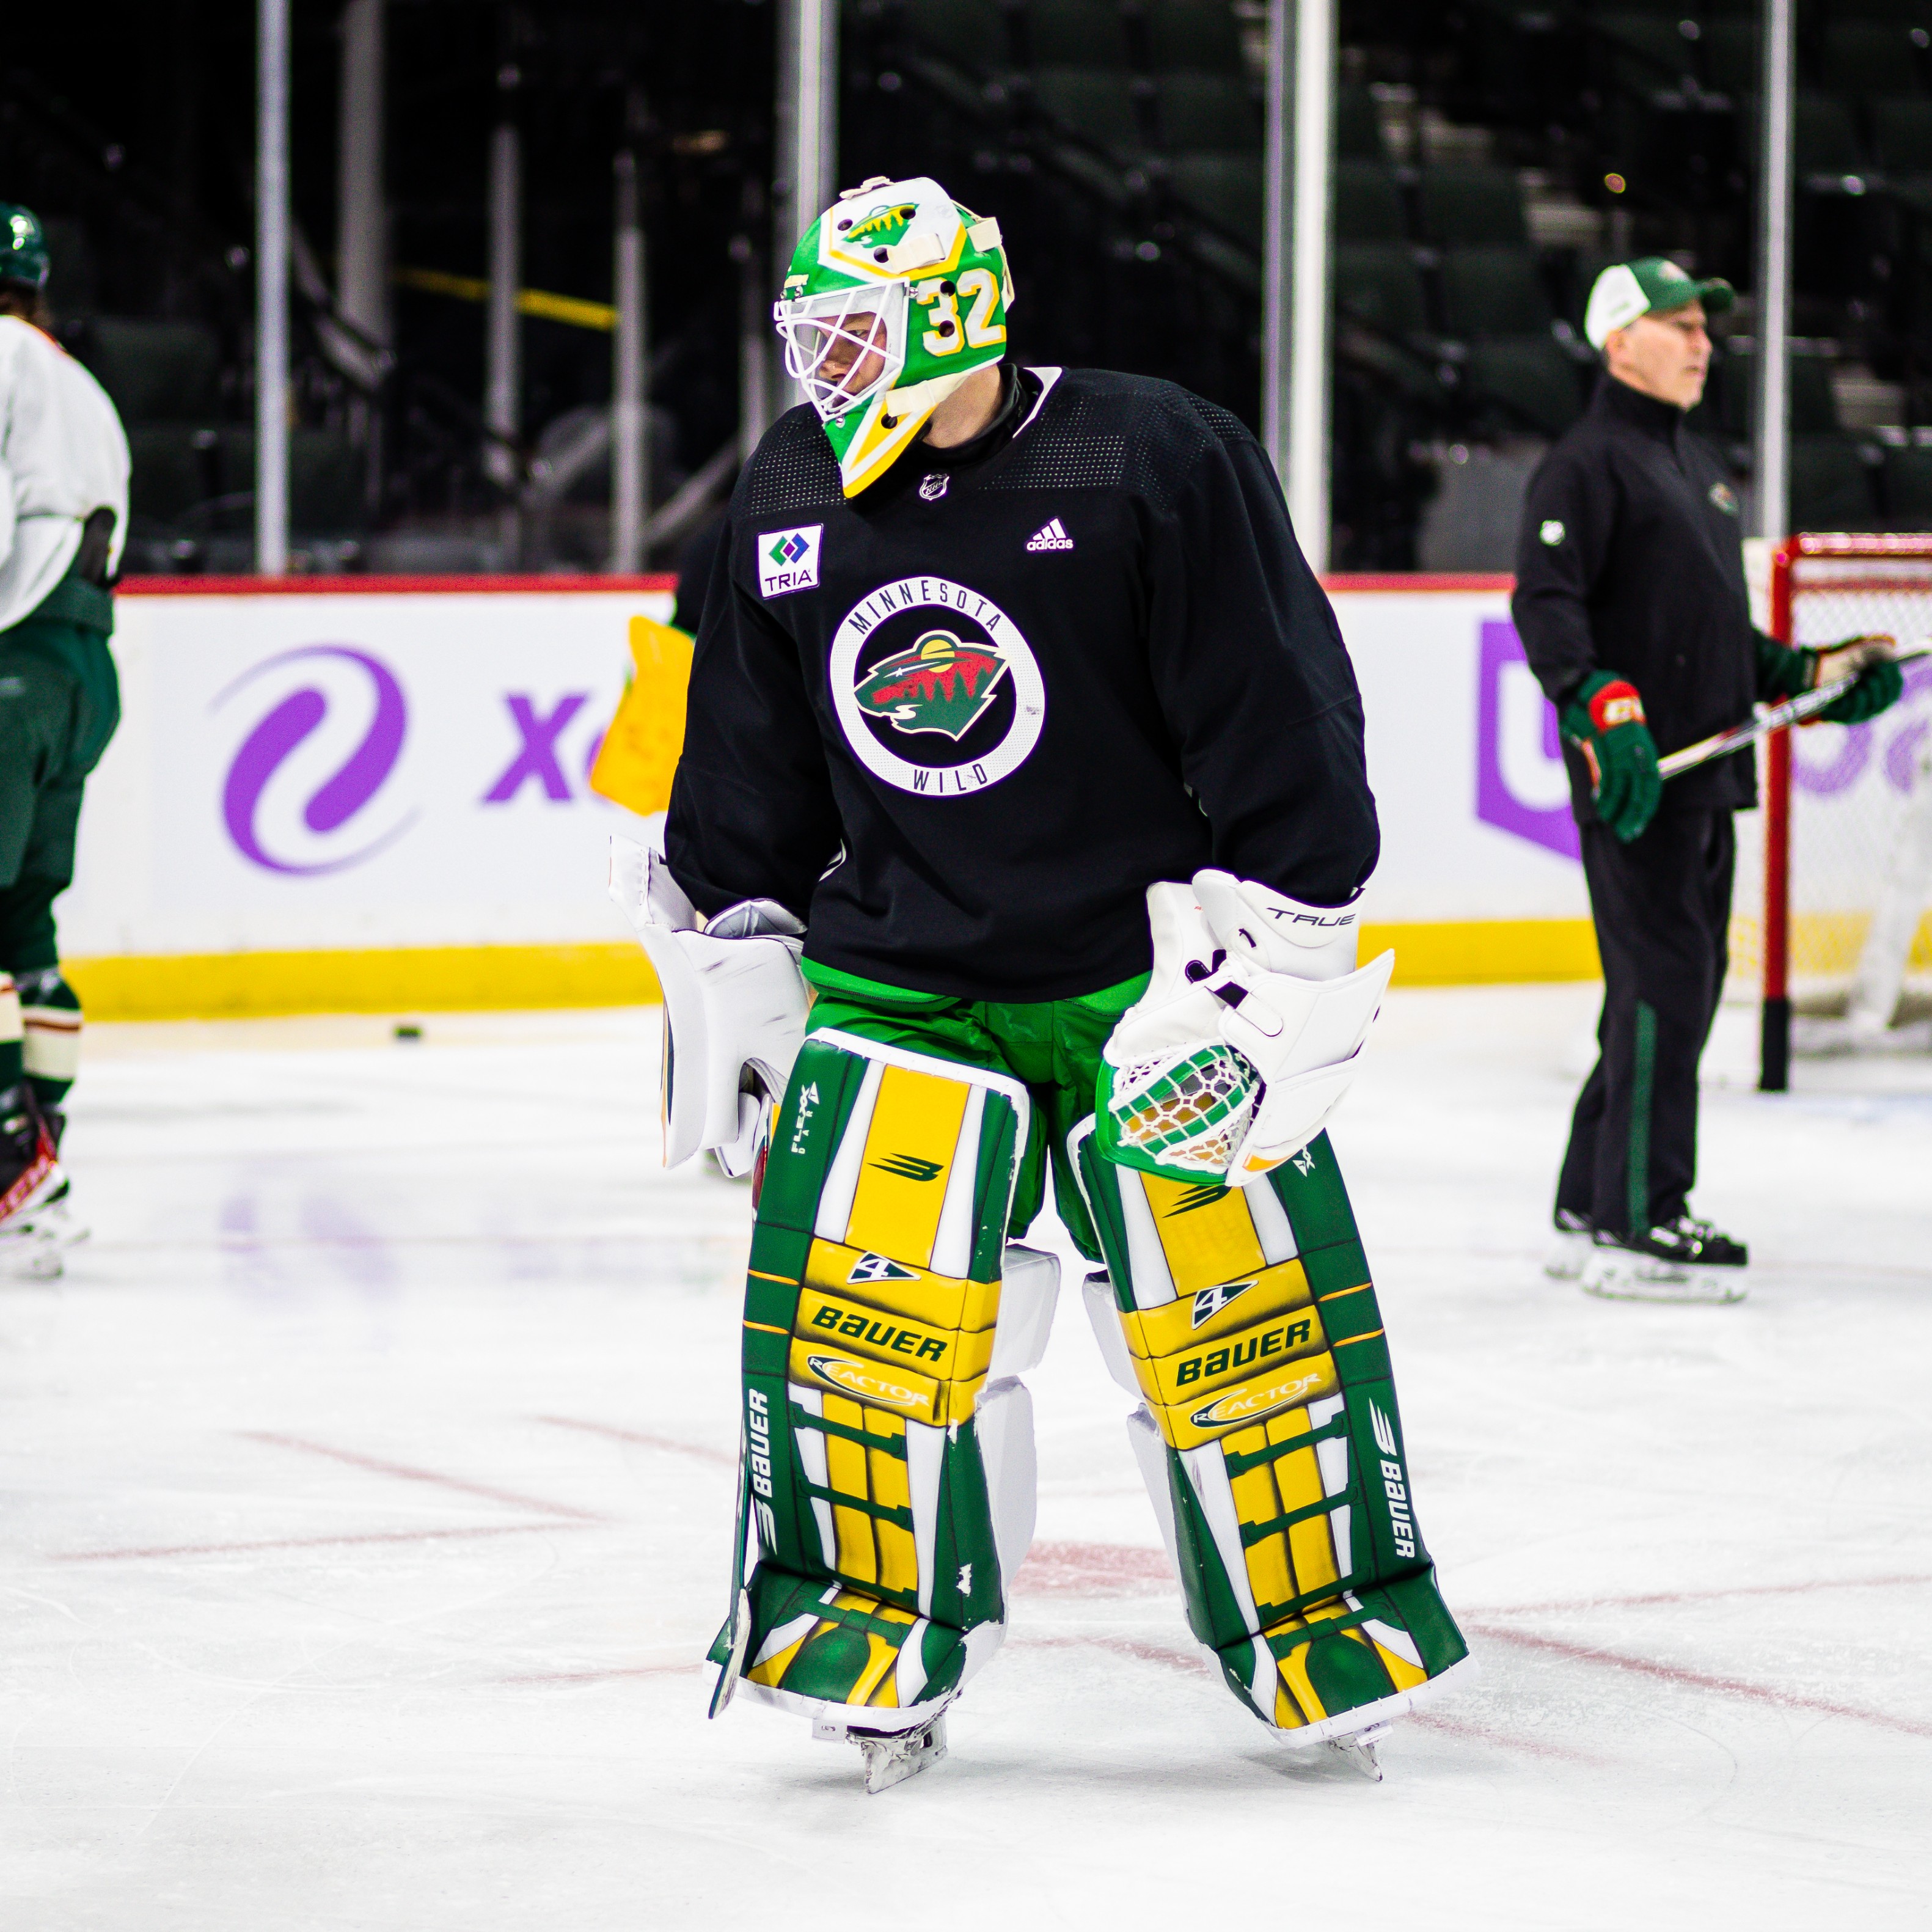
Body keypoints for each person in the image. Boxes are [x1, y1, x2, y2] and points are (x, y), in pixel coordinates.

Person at [615, 174, 1469, 1792]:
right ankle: (873, 1643)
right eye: (816, 330)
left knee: (1245, 1334)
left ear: (956, 317)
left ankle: (1320, 1629)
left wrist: (1287, 936)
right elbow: (742, 746)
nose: (830, 364)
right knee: (868, 1340)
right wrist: (732, 947)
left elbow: (1278, 712)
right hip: (898, 984)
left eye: (861, 329)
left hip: (1140, 976)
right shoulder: (790, 483)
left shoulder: (1150, 452)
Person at [1513, 257, 1903, 1304]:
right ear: (1617, 339)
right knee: (1667, 989)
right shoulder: (1584, 465)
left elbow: (1716, 637)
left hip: (1708, 774)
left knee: (1664, 989)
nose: (1699, 343)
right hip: (1639, 779)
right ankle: (1644, 1218)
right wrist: (1593, 698)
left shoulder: (1698, 466)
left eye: (1702, 328)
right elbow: (1546, 606)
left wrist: (1815, 677)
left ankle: (1592, 1196)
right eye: (1677, 325)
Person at [0, 205, 129, 1279]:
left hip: (8, 666)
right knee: (26, 926)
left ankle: (11, 1161)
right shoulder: (81, 381)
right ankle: (46, 1164)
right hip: (85, 668)